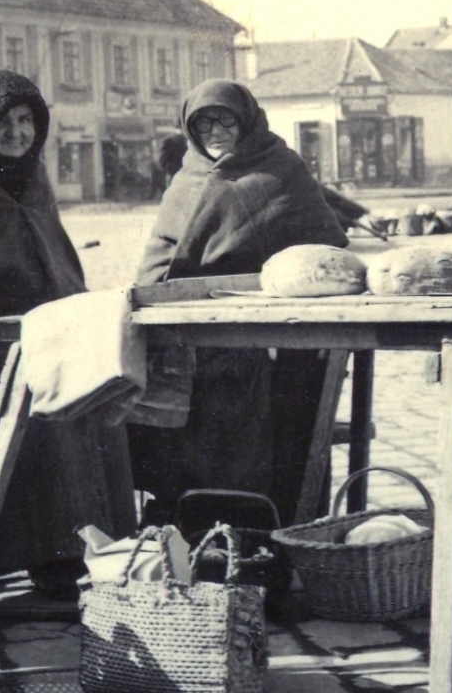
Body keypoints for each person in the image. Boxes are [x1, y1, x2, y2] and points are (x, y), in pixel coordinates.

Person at [0, 70, 136, 596]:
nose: (18, 134)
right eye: (3, 122)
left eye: (26, 121)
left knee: (99, 379)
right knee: (46, 393)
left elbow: (55, 258)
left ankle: (91, 542)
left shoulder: (28, 176)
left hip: (43, 326)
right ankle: (49, 550)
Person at [130, 78, 348, 524]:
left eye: (225, 119)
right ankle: (191, 530)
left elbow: (325, 252)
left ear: (246, 120)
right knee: (186, 446)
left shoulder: (281, 168)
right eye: (203, 122)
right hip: (191, 343)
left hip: (270, 344)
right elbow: (161, 255)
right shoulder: (187, 177)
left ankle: (261, 533)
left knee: (266, 445)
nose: (215, 131)